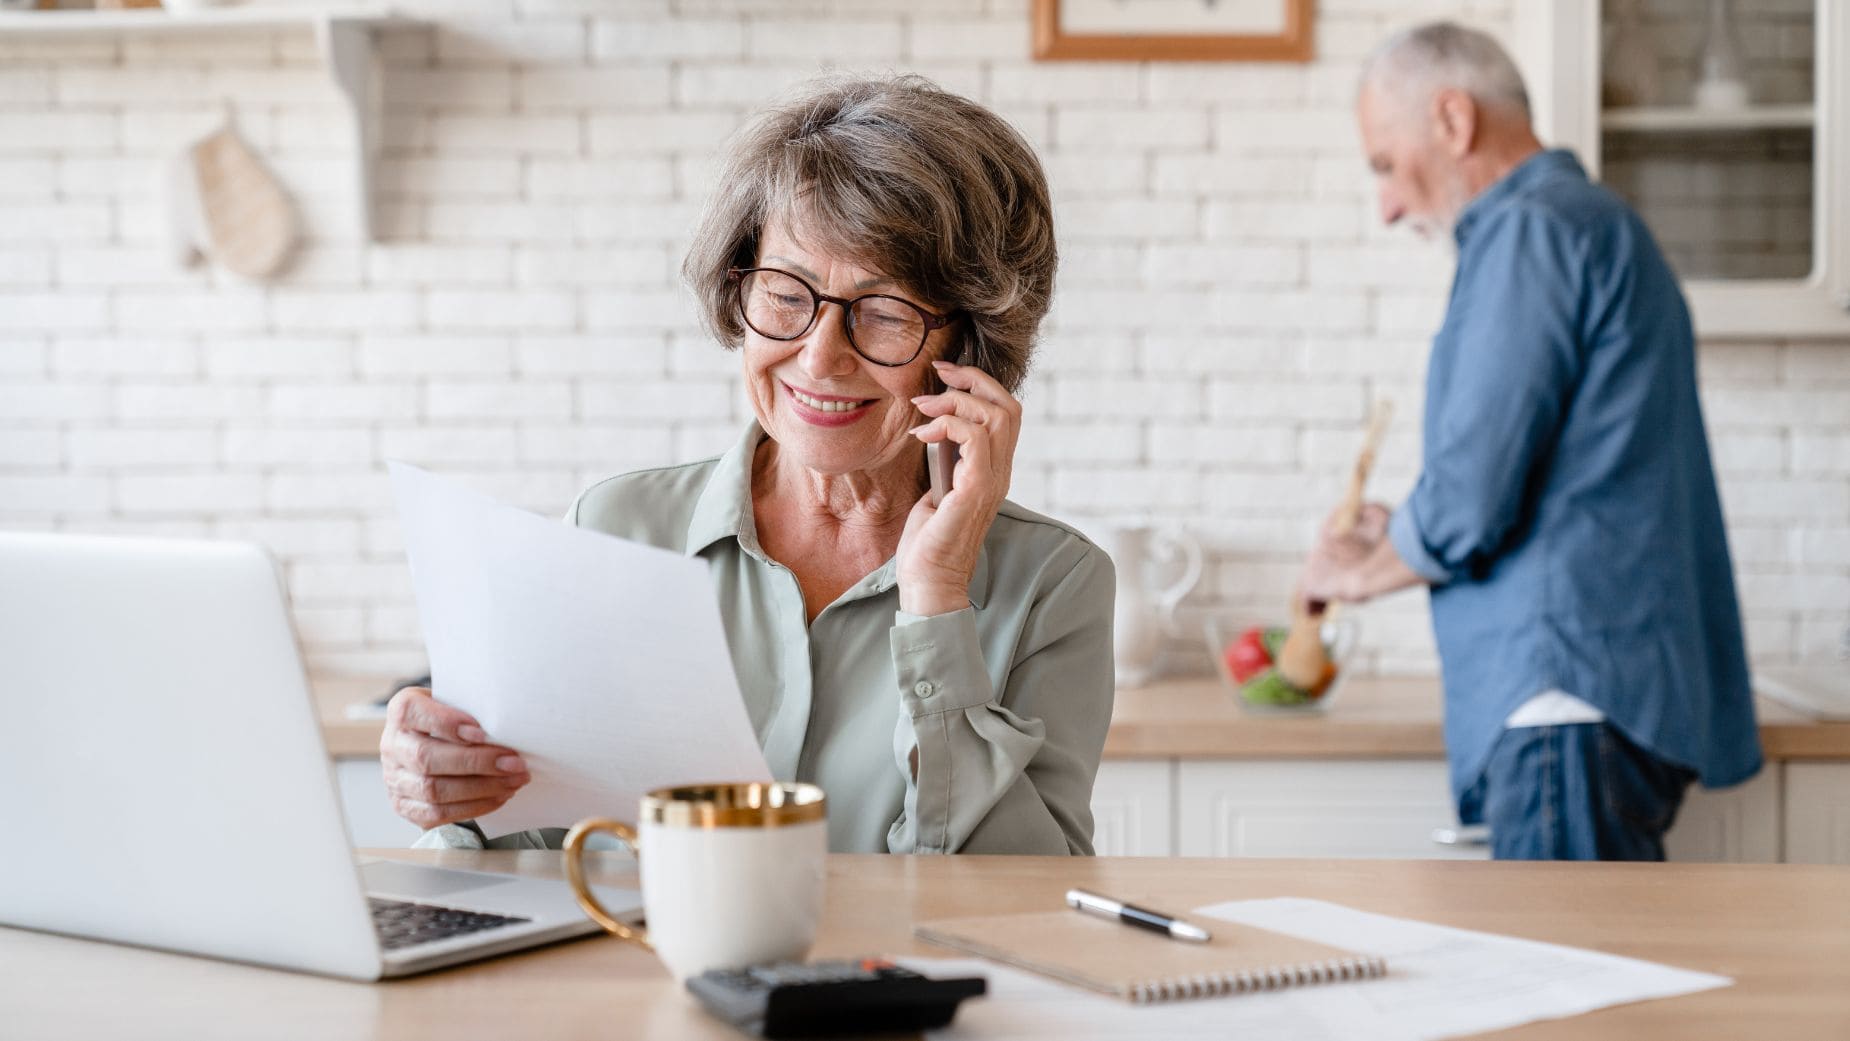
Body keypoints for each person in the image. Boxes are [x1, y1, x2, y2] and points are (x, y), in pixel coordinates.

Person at [377, 75, 1115, 856]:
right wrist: (453, 793)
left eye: (887, 310)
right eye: (786, 293)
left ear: (969, 349)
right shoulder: (617, 528)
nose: (820, 356)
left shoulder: (1054, 585)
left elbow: (1021, 893)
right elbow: (521, 847)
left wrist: (937, 604)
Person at [1300, 23, 1761, 861]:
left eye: (1383, 164)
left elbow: (1473, 493)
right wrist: (1398, 534)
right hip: (1600, 701)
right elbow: (1556, 481)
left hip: (1564, 701)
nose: (1388, 205)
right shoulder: (1592, 226)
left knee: (1566, 987)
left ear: (1452, 119)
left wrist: (1355, 572)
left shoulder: (1532, 231)